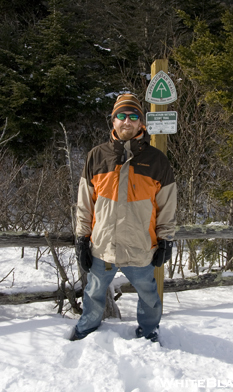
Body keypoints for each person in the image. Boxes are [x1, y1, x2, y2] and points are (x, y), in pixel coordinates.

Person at [70, 93, 177, 343]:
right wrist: (81, 239)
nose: (126, 121)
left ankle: (149, 331)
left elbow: (167, 206)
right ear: (113, 120)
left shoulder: (157, 161)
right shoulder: (96, 156)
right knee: (94, 292)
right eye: (121, 115)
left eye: (132, 116)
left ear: (141, 123)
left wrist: (166, 239)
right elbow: (85, 203)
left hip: (139, 248)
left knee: (149, 295)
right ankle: (87, 329)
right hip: (103, 247)